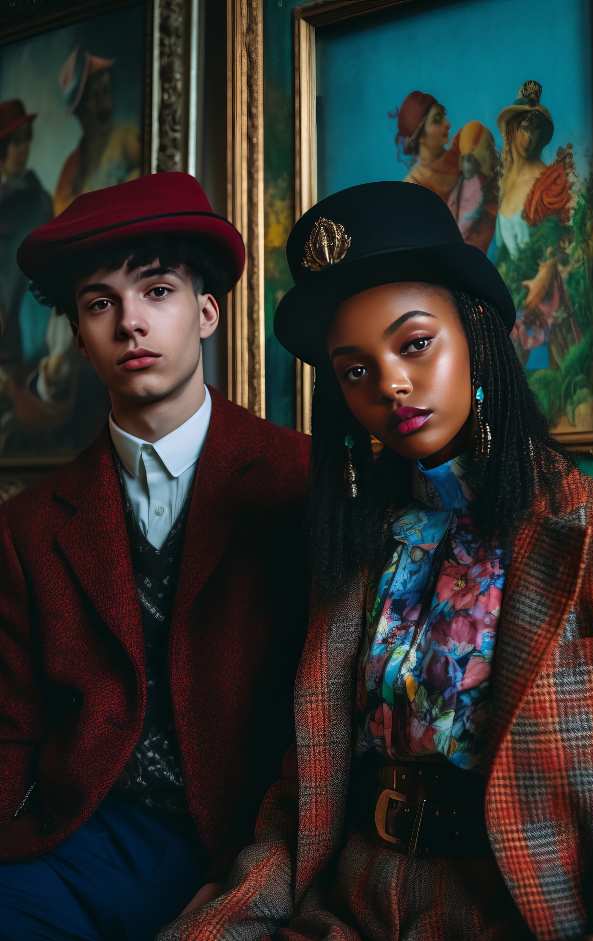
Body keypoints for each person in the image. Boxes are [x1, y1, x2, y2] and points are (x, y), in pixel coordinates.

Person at [158, 182, 593, 941]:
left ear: (475, 331)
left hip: (516, 913)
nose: (390, 385)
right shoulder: (358, 544)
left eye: (414, 344)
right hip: (345, 905)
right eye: (354, 369)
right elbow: (301, 792)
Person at [0, 171, 310, 940]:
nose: (130, 322)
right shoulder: (28, 524)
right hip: (83, 836)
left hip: (255, 840)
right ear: (78, 333)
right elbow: (10, 724)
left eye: (157, 291)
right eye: (101, 303)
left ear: (205, 312)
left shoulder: (301, 480)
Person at [495, 80, 579, 372]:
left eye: (537, 129)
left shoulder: (548, 180)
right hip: (512, 292)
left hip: (543, 294)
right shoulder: (505, 185)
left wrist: (536, 287)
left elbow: (554, 246)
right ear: (513, 128)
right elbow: (504, 252)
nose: (530, 136)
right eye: (525, 127)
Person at [53, 47, 141, 215]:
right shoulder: (73, 165)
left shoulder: (124, 138)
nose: (106, 104)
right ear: (80, 111)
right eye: (95, 94)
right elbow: (60, 212)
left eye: (106, 91)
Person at [0, 99, 52, 367]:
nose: (23, 149)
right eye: (16, 142)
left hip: (22, 318)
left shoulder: (38, 200)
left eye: (26, 140)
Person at [395, 90, 460, 202]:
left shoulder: (461, 158)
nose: (448, 124)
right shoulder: (414, 183)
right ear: (418, 136)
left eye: (444, 116)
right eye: (437, 120)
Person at [447, 120, 498, 253]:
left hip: (473, 242)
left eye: (470, 160)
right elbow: (452, 206)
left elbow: (471, 213)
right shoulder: (460, 183)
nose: (466, 165)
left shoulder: (479, 183)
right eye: (463, 160)